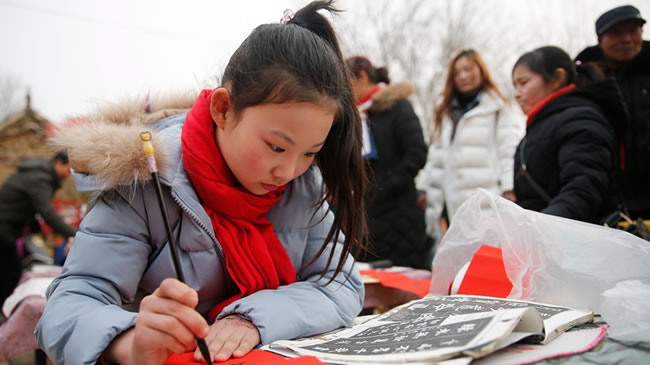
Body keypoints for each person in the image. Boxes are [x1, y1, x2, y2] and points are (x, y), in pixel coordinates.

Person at [35, 2, 368, 364]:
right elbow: (69, 304)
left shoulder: (304, 188)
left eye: (309, 153)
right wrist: (131, 343)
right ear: (223, 109)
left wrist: (254, 319)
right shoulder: (145, 180)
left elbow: (341, 283)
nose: (287, 171)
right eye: (277, 147)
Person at [417, 49, 524, 237]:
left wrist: (509, 189)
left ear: (481, 71)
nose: (463, 76)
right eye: (457, 73)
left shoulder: (498, 108)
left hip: (487, 197)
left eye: (468, 69)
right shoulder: (446, 111)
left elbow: (508, 150)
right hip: (452, 201)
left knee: (486, 253)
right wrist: (425, 187)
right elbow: (437, 154)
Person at [511, 46, 624, 223]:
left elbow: (584, 188)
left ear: (558, 78)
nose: (517, 94)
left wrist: (539, 228)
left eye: (523, 83)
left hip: (575, 241)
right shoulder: (536, 130)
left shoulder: (581, 119)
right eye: (515, 86)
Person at [345, 56, 429, 269]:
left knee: (402, 282)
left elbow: (417, 152)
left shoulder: (397, 106)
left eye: (347, 82)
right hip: (366, 215)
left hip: (399, 214)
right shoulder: (356, 116)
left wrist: (384, 185)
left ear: (362, 77)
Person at [574, 5, 649, 220]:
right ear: (600, 40)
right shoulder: (584, 81)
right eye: (617, 33)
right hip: (604, 201)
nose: (626, 39)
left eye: (633, 31)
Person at [0, 152, 75, 307]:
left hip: (7, 227)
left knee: (10, 270)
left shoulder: (37, 174)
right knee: (11, 271)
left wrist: (36, 227)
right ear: (59, 163)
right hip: (4, 227)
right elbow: (48, 213)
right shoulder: (40, 178)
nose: (69, 176)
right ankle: (4, 311)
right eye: (68, 170)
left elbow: (27, 205)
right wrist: (76, 235)